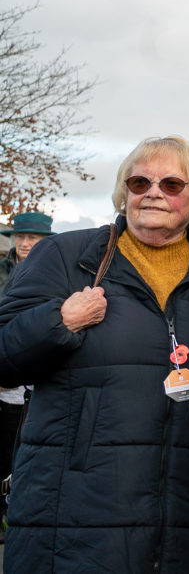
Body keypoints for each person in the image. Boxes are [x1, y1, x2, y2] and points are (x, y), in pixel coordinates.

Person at [0, 137, 189, 573]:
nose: (153, 191)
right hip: (72, 519)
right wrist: (59, 321)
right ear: (124, 193)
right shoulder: (66, 257)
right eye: (140, 181)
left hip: (188, 524)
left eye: (172, 184)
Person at [0, 211, 54, 541]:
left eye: (33, 238)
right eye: (20, 237)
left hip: (31, 377)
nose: (24, 243)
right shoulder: (3, 271)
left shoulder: (57, 271)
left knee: (19, 449)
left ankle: (14, 511)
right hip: (4, 369)